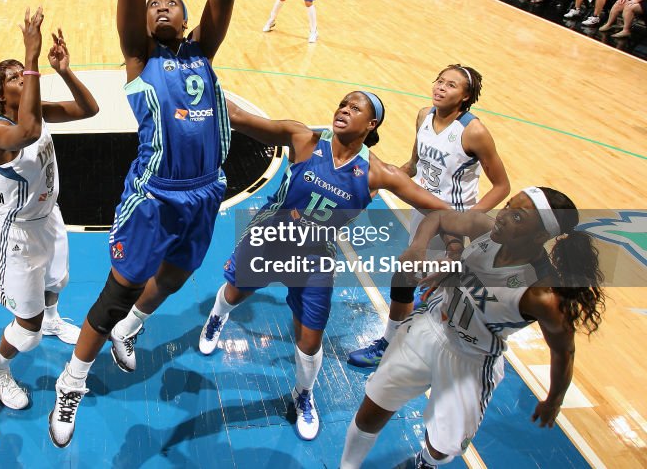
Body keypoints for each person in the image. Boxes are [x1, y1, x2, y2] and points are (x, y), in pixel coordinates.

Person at [49, 0, 245, 449]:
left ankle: (133, 329)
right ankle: (72, 380)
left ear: (186, 23)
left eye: (173, 3)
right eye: (156, 2)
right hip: (154, 195)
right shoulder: (140, 58)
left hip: (207, 191)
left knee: (181, 276)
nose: (162, 4)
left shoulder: (201, 52)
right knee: (116, 291)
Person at [197, 92, 450, 441]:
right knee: (235, 293)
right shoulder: (304, 138)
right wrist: (199, 77)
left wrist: (422, 244)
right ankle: (217, 317)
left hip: (315, 257)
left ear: (371, 124)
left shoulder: (378, 174)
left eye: (355, 108)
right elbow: (238, 117)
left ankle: (303, 394)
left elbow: (442, 210)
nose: (344, 109)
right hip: (271, 236)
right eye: (343, 103)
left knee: (310, 339)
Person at [340, 188, 606, 469]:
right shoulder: (486, 230)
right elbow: (440, 218)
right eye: (507, 206)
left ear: (540, 236)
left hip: (471, 360)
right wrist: (422, 247)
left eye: (517, 216)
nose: (502, 216)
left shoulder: (543, 294)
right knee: (372, 408)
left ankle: (426, 461)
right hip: (429, 327)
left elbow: (564, 351)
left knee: (442, 448)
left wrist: (554, 399)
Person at [347, 65, 510, 368]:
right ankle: (414, 342)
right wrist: (375, 185)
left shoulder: (474, 131)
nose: (440, 87)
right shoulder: (424, 115)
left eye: (450, 85)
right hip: (423, 212)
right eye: (439, 81)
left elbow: (502, 186)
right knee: (423, 286)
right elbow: (414, 164)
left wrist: (468, 219)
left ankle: (396, 345)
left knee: (413, 281)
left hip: (451, 221)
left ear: (465, 97)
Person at [0, 7, 99, 410]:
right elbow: (28, 133)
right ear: (1, 95)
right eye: (14, 77)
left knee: (56, 282)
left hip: (49, 217)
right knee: (25, 331)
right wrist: (30, 56)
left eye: (22, 73)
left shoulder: (36, 112)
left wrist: (64, 71)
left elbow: (89, 110)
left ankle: (51, 318)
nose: (24, 78)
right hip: (16, 236)